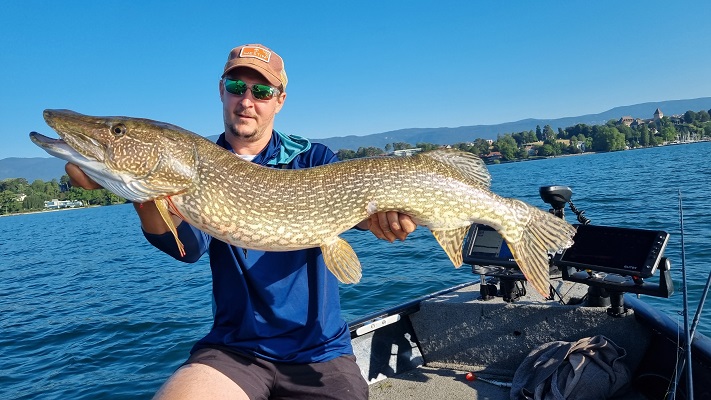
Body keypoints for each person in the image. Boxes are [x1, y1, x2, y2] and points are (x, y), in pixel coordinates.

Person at [66, 43, 417, 399]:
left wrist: (379, 221)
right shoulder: (196, 165)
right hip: (234, 350)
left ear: (279, 100)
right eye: (237, 87)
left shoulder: (314, 158)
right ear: (222, 91)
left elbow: (360, 210)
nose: (247, 100)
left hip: (320, 352)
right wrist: (141, 194)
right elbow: (186, 249)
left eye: (261, 91)